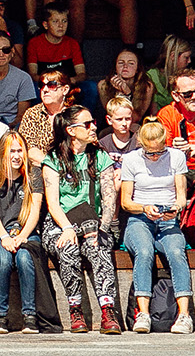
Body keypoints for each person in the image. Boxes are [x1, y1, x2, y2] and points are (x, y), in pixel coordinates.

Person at [39, 106, 121, 333]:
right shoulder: (53, 159)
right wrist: (67, 228)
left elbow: (108, 199)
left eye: (92, 122)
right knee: (68, 248)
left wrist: (102, 229)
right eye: (87, 124)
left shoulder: (100, 156)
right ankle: (75, 310)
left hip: (92, 223)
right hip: (60, 223)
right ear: (71, 131)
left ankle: (108, 311)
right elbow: (53, 203)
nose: (94, 127)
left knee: (100, 248)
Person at [118, 119, 195, 334]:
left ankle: (184, 315)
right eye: (149, 153)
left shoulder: (176, 157)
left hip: (167, 217)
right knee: (144, 251)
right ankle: (143, 313)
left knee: (176, 251)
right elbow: (126, 201)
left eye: (159, 153)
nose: (154, 157)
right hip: (140, 216)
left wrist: (174, 208)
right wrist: (144, 208)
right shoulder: (131, 159)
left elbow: (182, 198)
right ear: (141, 145)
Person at [0, 132, 43, 334]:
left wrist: (22, 235)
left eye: (20, 150)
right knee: (3, 260)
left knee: (25, 259)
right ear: (3, 153)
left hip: (25, 230)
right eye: (12, 151)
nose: (17, 155)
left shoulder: (33, 175)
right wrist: (5, 237)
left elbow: (34, 211)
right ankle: (1, 317)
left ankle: (30, 316)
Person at [16, 70, 75, 163]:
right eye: (42, 85)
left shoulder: (76, 115)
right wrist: (52, 166)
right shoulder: (32, 114)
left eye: (51, 85)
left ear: (65, 89)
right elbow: (29, 148)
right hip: (40, 167)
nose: (45, 90)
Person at [26, 4, 85, 85]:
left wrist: (72, 80)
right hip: (45, 85)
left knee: (90, 87)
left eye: (64, 21)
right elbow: (32, 75)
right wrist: (51, 82)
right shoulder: (34, 43)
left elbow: (82, 74)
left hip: (68, 84)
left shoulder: (72, 43)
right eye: (55, 21)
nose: (61, 25)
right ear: (46, 25)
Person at [141, 35, 193, 112]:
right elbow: (153, 111)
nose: (189, 61)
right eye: (186, 57)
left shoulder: (186, 77)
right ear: (173, 56)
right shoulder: (152, 76)